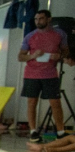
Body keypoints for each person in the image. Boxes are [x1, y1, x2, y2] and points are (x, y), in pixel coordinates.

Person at [18, 9, 70, 142]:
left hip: (50, 73)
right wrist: (33, 55)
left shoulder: (59, 34)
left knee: (55, 102)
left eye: (41, 18)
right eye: (36, 19)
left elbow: (65, 52)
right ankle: (33, 131)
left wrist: (59, 56)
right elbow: (20, 56)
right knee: (32, 102)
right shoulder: (30, 36)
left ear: (49, 19)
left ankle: (60, 131)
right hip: (32, 74)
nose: (38, 21)